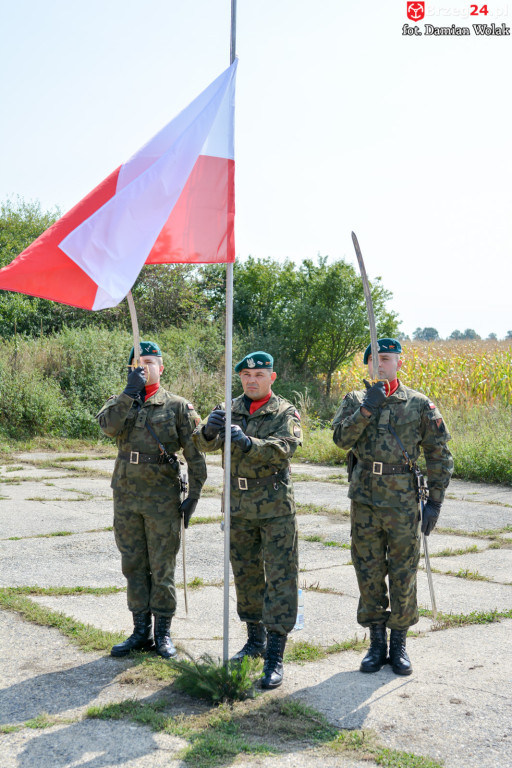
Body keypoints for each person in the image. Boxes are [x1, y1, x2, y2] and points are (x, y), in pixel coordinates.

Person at [332, 338, 453, 676]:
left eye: (387, 359)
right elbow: (341, 440)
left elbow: (439, 454)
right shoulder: (355, 400)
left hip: (403, 501)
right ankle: (375, 642)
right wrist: (366, 410)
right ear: (368, 365)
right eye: (375, 360)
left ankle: (399, 642)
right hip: (366, 500)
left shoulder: (418, 404)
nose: (381, 365)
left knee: (403, 572)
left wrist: (435, 502)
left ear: (400, 363)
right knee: (368, 571)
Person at [193, 351, 302, 689]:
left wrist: (247, 441)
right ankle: (255, 641)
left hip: (274, 507)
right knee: (246, 574)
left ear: (272, 376)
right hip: (238, 505)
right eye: (246, 375)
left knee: (281, 576)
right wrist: (208, 431)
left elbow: (286, 446)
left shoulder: (284, 411)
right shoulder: (229, 407)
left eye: (259, 374)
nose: (251, 380)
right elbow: (200, 444)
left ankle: (275, 654)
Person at [96, 340, 206, 659]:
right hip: (127, 496)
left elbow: (195, 455)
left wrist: (195, 495)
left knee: (162, 567)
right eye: (137, 362)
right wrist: (129, 393)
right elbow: (107, 427)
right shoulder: (120, 401)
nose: (144, 367)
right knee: (133, 563)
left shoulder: (178, 407)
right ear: (131, 369)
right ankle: (140, 631)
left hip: (162, 498)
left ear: (161, 367)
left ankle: (163, 634)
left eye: (150, 361)